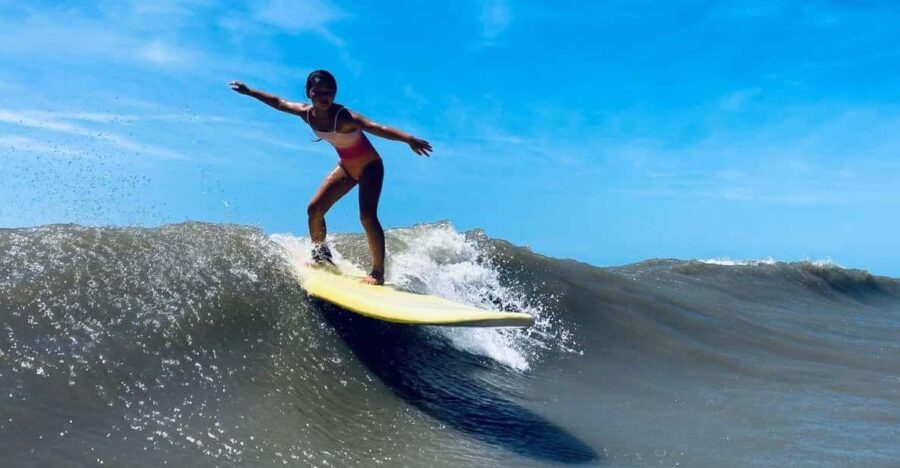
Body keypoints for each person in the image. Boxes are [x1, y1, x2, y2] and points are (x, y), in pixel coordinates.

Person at [230, 70, 431, 285]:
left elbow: (375, 127)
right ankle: (322, 258)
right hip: (346, 168)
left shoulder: (343, 117)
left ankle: (378, 272)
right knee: (314, 209)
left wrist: (408, 139)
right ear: (309, 93)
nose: (324, 97)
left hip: (370, 167)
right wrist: (249, 91)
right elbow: (279, 102)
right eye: (318, 92)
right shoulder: (306, 114)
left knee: (367, 216)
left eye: (329, 92)